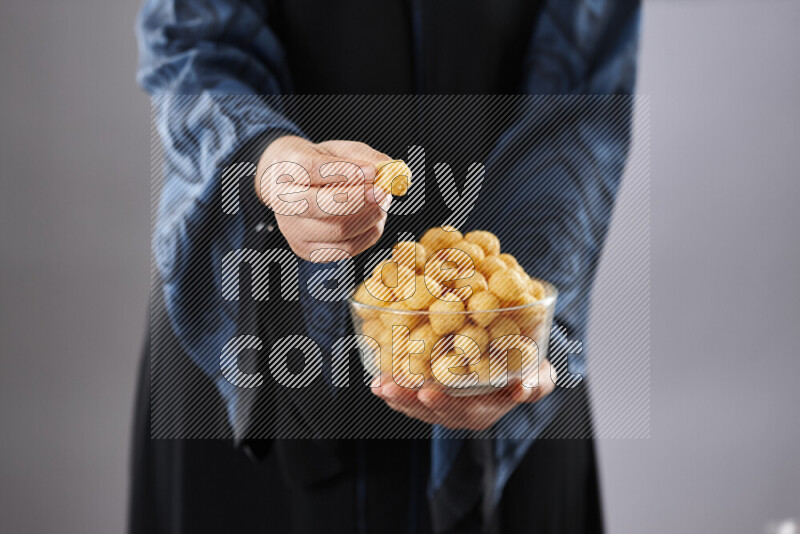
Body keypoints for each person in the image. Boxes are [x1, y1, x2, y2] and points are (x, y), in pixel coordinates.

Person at [131, 1, 640, 532]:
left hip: (506, 365)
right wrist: (264, 161)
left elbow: (587, 84)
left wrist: (511, 326)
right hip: (251, 323)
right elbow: (193, 43)